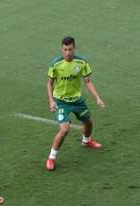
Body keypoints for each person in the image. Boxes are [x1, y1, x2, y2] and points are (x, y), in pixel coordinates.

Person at [45, 36, 106, 171]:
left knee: (89, 122)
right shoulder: (56, 64)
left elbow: (88, 81)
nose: (68, 52)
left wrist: (98, 98)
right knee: (65, 129)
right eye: (65, 50)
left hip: (77, 101)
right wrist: (51, 101)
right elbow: (49, 83)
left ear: (74, 48)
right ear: (62, 49)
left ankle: (87, 141)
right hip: (61, 102)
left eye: (70, 49)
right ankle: (51, 158)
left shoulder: (82, 63)